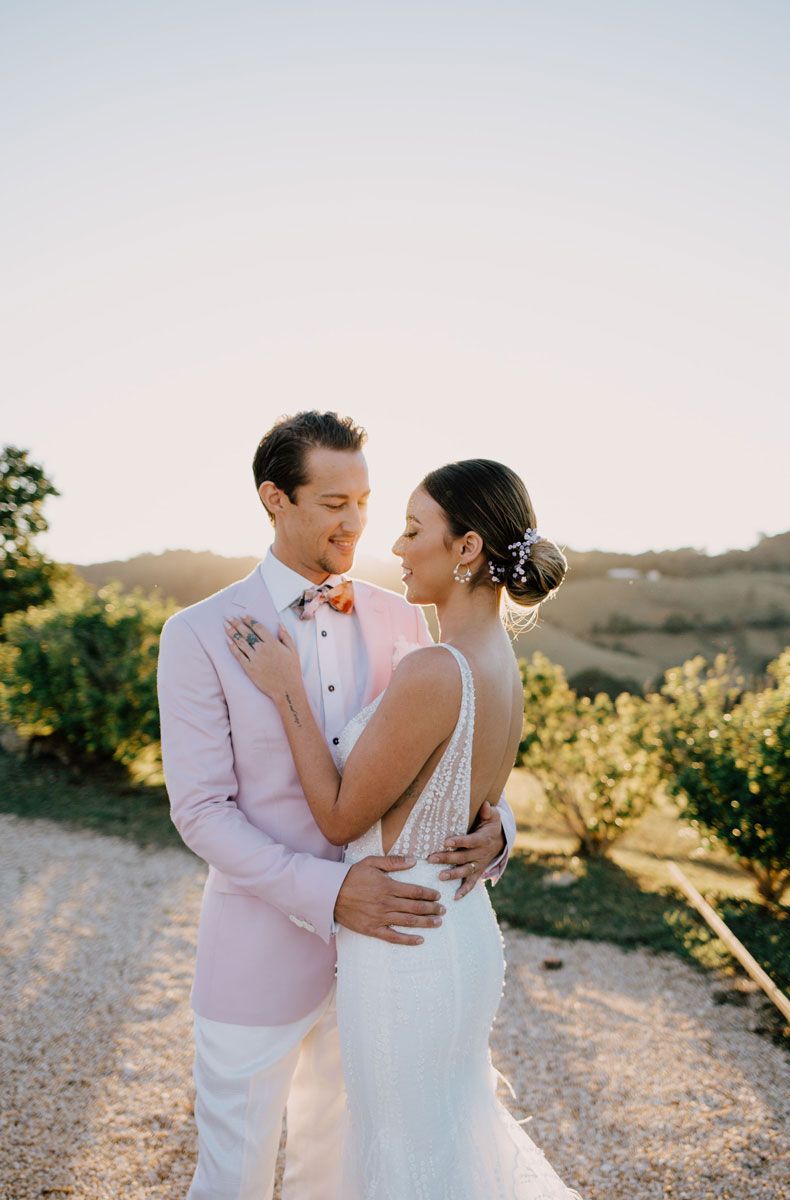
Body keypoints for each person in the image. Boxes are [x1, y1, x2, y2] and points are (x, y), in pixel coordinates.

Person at [156, 412, 515, 1200]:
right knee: (233, 1180)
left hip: (383, 967)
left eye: (365, 501)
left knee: (342, 1178)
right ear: (274, 499)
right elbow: (202, 812)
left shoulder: (400, 617)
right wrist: (330, 893)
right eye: (331, 503)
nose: (356, 524)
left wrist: (497, 831)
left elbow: (443, 745)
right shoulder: (199, 633)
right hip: (256, 959)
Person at [225, 456, 585, 1199]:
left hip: (402, 943)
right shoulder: (503, 666)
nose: (395, 546)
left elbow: (338, 815)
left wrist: (287, 688)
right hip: (458, 926)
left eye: (415, 529)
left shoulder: (435, 670)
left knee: (405, 1151)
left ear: (466, 549)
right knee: (447, 1134)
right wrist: (504, 832)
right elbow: (472, 804)